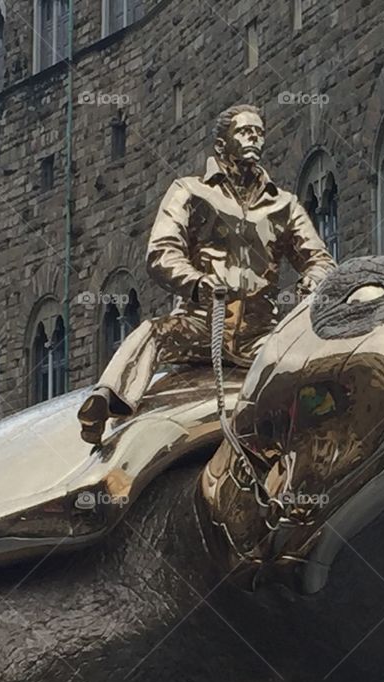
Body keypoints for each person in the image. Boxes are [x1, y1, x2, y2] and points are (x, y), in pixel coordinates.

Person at [78, 104, 336, 444]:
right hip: (201, 324)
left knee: (313, 360)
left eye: (258, 133)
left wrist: (314, 278)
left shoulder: (283, 205)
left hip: (261, 334)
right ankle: (106, 401)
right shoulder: (189, 191)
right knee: (154, 333)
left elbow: (320, 258)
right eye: (244, 132)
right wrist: (197, 283)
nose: (254, 140)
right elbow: (161, 253)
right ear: (221, 145)